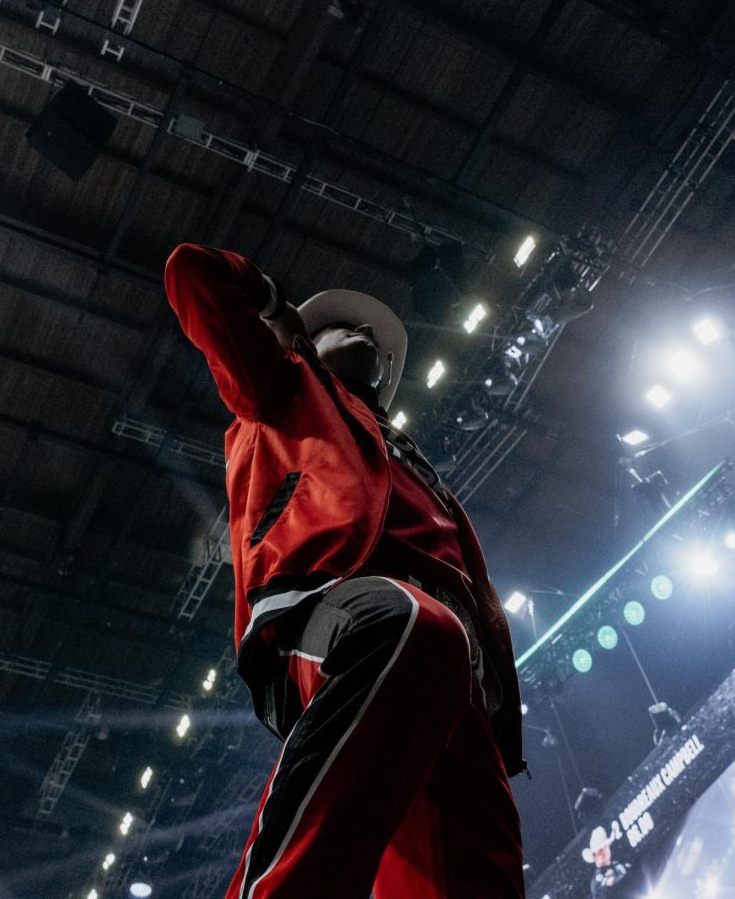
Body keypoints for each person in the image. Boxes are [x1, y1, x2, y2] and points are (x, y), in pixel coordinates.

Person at [165, 242, 526, 899]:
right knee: (416, 627)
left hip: (456, 670)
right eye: (343, 325)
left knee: (484, 872)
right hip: (339, 610)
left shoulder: (406, 456)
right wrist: (275, 307)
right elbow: (192, 273)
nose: (363, 331)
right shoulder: (279, 389)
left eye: (372, 337)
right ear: (302, 342)